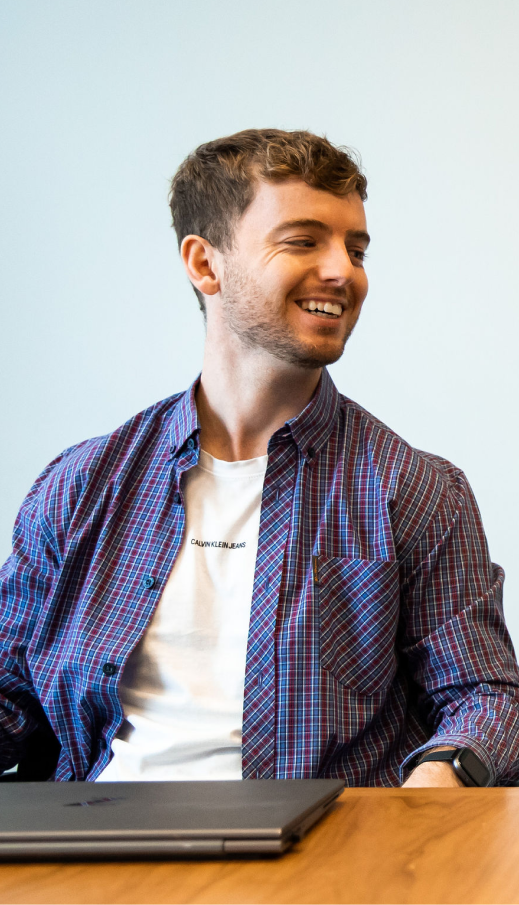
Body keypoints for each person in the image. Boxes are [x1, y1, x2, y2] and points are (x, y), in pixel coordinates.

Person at [1, 129, 518, 788]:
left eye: (354, 248)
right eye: (303, 241)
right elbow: (10, 694)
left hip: (325, 866)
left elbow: (485, 696)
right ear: (204, 263)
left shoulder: (413, 489)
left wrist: (438, 781)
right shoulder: (79, 486)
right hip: (96, 863)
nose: (343, 271)